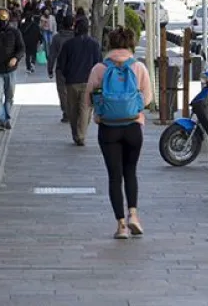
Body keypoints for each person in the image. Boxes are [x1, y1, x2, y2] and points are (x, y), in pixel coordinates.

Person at [84, 26, 153, 239]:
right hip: (133, 128)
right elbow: (148, 99)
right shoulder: (138, 67)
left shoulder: (99, 69)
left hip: (108, 129)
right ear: (131, 44)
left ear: (110, 44)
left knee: (114, 177)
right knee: (130, 171)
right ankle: (134, 215)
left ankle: (121, 226)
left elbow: (88, 100)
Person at [56, 17, 102, 146]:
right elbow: (99, 63)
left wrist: (67, 75)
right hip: (89, 81)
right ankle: (81, 135)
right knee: (85, 108)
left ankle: (76, 133)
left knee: (73, 109)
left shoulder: (69, 44)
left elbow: (61, 64)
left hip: (72, 82)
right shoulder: (94, 44)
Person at [47, 15, 76, 123]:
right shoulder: (76, 37)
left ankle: (66, 112)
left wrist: (50, 69)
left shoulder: (57, 38)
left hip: (61, 68)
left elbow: (52, 54)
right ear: (72, 24)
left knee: (62, 91)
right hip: (74, 68)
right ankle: (72, 111)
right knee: (73, 90)